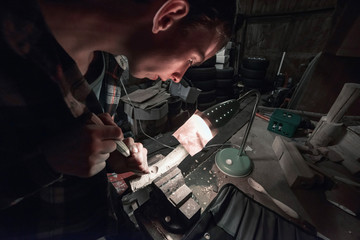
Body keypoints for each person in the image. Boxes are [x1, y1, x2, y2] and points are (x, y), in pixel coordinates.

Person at [0, 0, 236, 239]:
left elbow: (92, 140)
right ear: (167, 16)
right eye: (191, 60)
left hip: (102, 218)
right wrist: (49, 161)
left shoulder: (111, 64)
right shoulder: (10, 49)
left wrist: (114, 157)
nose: (178, 78)